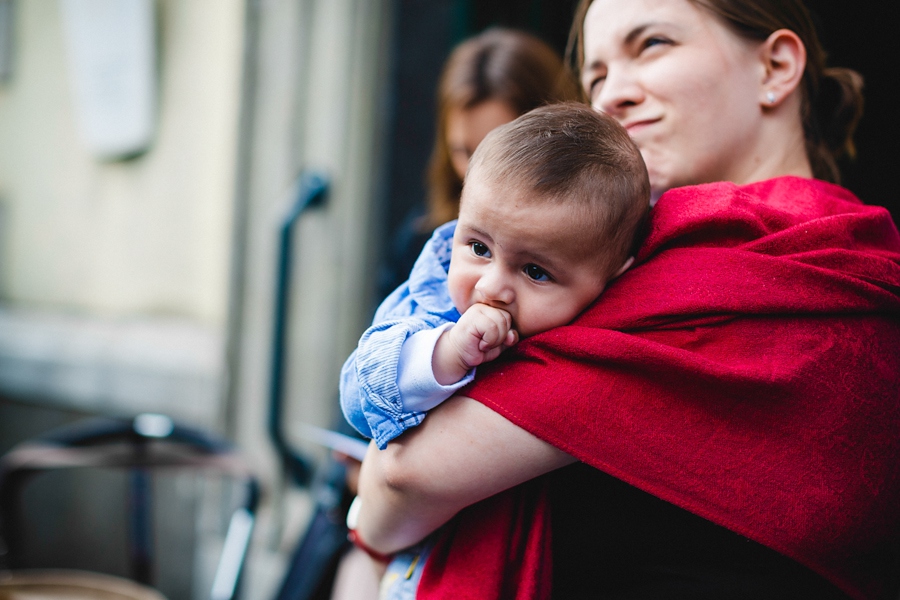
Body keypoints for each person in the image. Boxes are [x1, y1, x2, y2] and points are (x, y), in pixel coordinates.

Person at [353, 1, 900, 599]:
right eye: (596, 75)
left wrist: (371, 522)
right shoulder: (593, 270)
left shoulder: (739, 276)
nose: (613, 95)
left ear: (775, 66)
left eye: (652, 45)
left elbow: (404, 477)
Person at [341, 103, 649, 597]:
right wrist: (446, 351)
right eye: (478, 247)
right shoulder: (437, 302)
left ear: (613, 279)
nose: (492, 286)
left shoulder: (600, 333)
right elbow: (359, 392)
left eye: (535, 272)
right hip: (419, 569)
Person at [381, 27, 580, 298]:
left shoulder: (587, 242)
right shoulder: (420, 240)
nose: (477, 172)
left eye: (501, 154)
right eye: (463, 152)